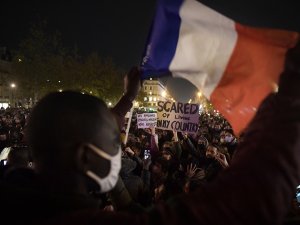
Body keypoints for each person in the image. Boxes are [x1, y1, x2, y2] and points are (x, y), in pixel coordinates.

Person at [1, 43, 300, 225]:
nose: (121, 149)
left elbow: (87, 127)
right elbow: (246, 202)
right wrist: (289, 99)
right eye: (112, 144)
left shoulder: (20, 198)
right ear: (85, 157)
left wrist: (128, 99)